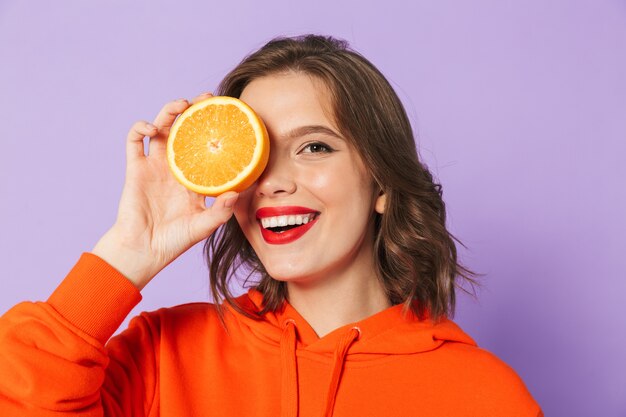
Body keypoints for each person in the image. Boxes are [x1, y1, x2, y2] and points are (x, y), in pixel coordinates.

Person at [0, 35, 542, 416]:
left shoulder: (482, 395)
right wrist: (127, 252)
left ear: (381, 182)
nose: (272, 181)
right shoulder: (163, 356)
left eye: (314, 147)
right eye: (254, 154)